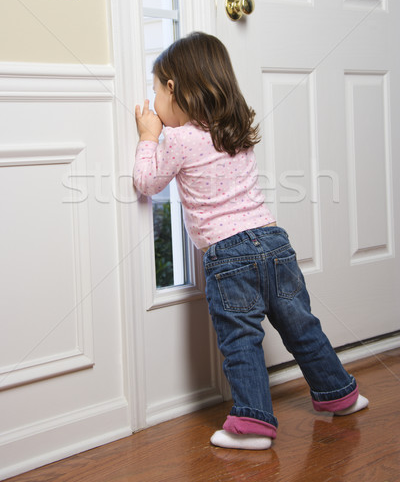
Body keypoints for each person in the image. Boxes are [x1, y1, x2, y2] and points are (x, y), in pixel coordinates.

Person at [133, 31, 369, 450]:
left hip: (229, 255)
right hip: (273, 242)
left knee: (240, 338)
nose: (153, 104)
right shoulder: (233, 126)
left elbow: (148, 183)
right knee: (301, 326)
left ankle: (254, 421)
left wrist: (149, 136)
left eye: (156, 92)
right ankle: (339, 393)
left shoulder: (180, 139)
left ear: (173, 87)